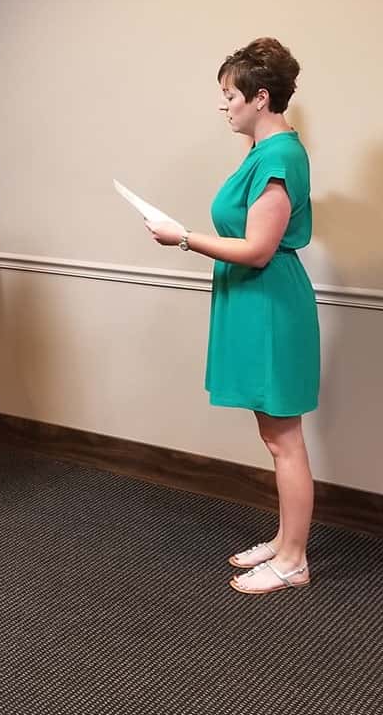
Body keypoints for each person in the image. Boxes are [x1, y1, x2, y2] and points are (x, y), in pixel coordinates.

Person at [145, 37, 319, 595]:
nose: (224, 106)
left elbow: (258, 249)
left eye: (230, 95)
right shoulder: (265, 153)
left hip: (270, 302)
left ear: (260, 97)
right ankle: (284, 540)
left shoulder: (280, 156)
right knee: (275, 435)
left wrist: (183, 239)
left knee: (283, 438)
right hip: (255, 300)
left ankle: (293, 559)